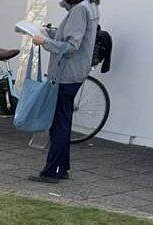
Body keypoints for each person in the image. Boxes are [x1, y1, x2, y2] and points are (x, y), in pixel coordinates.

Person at [29, 0, 100, 183]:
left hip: (66, 74)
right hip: (74, 73)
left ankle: (54, 170)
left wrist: (45, 41)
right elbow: (71, 37)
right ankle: (62, 168)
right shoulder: (89, 5)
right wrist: (50, 33)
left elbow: (71, 46)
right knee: (63, 121)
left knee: (59, 124)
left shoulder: (80, 9)